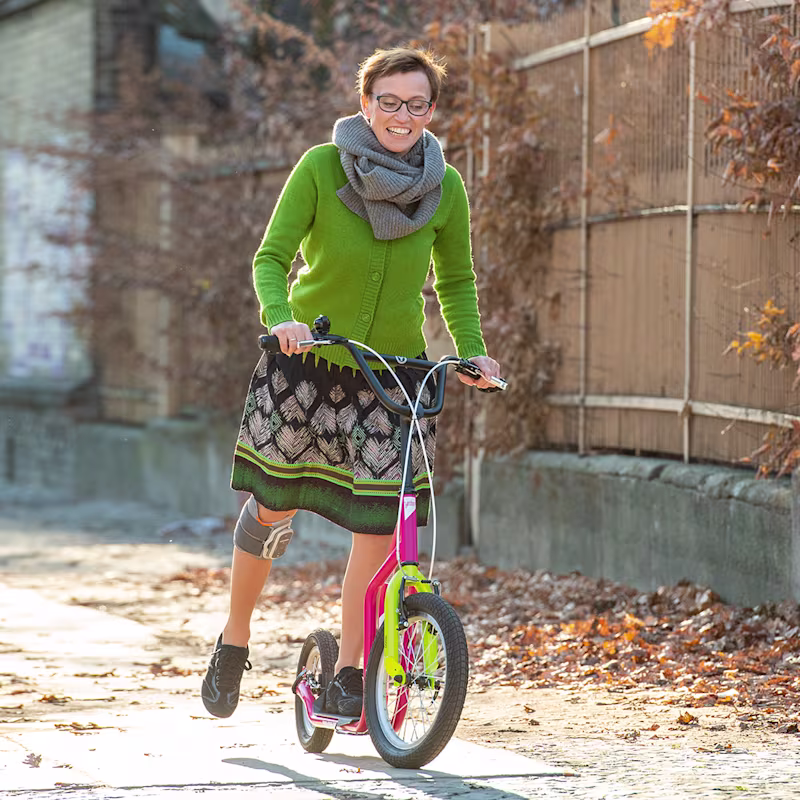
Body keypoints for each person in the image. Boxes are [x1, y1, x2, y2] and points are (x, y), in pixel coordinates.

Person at [201, 46, 503, 719]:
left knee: (379, 529)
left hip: (390, 379)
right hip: (305, 370)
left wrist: (472, 354)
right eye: (389, 101)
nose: (402, 114)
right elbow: (272, 258)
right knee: (274, 510)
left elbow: (453, 281)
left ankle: (348, 671)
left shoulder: (444, 185)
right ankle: (235, 638)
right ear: (365, 104)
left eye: (416, 103)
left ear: (430, 110)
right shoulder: (321, 167)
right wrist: (282, 321)